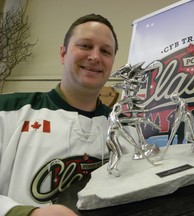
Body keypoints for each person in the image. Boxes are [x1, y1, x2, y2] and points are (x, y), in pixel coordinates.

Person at [0, 13, 120, 216]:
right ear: (63, 54)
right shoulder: (8, 110)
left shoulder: (124, 130)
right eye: (85, 45)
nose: (95, 57)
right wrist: (24, 213)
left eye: (105, 51)